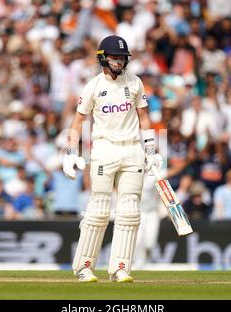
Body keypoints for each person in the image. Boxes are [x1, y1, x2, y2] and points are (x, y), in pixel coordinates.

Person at [62, 35, 163, 282]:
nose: (118, 62)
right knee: (98, 209)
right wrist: (72, 153)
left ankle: (120, 268)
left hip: (132, 150)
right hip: (104, 150)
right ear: (103, 58)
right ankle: (84, 267)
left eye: (122, 58)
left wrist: (150, 151)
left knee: (129, 210)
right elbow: (78, 121)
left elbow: (144, 119)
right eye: (114, 57)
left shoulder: (136, 83)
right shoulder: (93, 87)